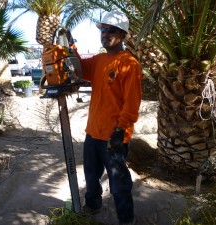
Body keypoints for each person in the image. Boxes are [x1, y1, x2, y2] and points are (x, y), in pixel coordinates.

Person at [76, 10, 142, 225]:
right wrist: (71, 47)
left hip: (113, 135)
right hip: (93, 131)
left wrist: (121, 130)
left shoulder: (129, 64)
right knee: (91, 175)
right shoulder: (98, 60)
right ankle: (93, 206)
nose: (105, 34)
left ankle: (126, 219)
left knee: (119, 181)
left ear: (122, 35)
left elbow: (132, 103)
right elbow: (78, 70)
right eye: (102, 30)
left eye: (110, 30)